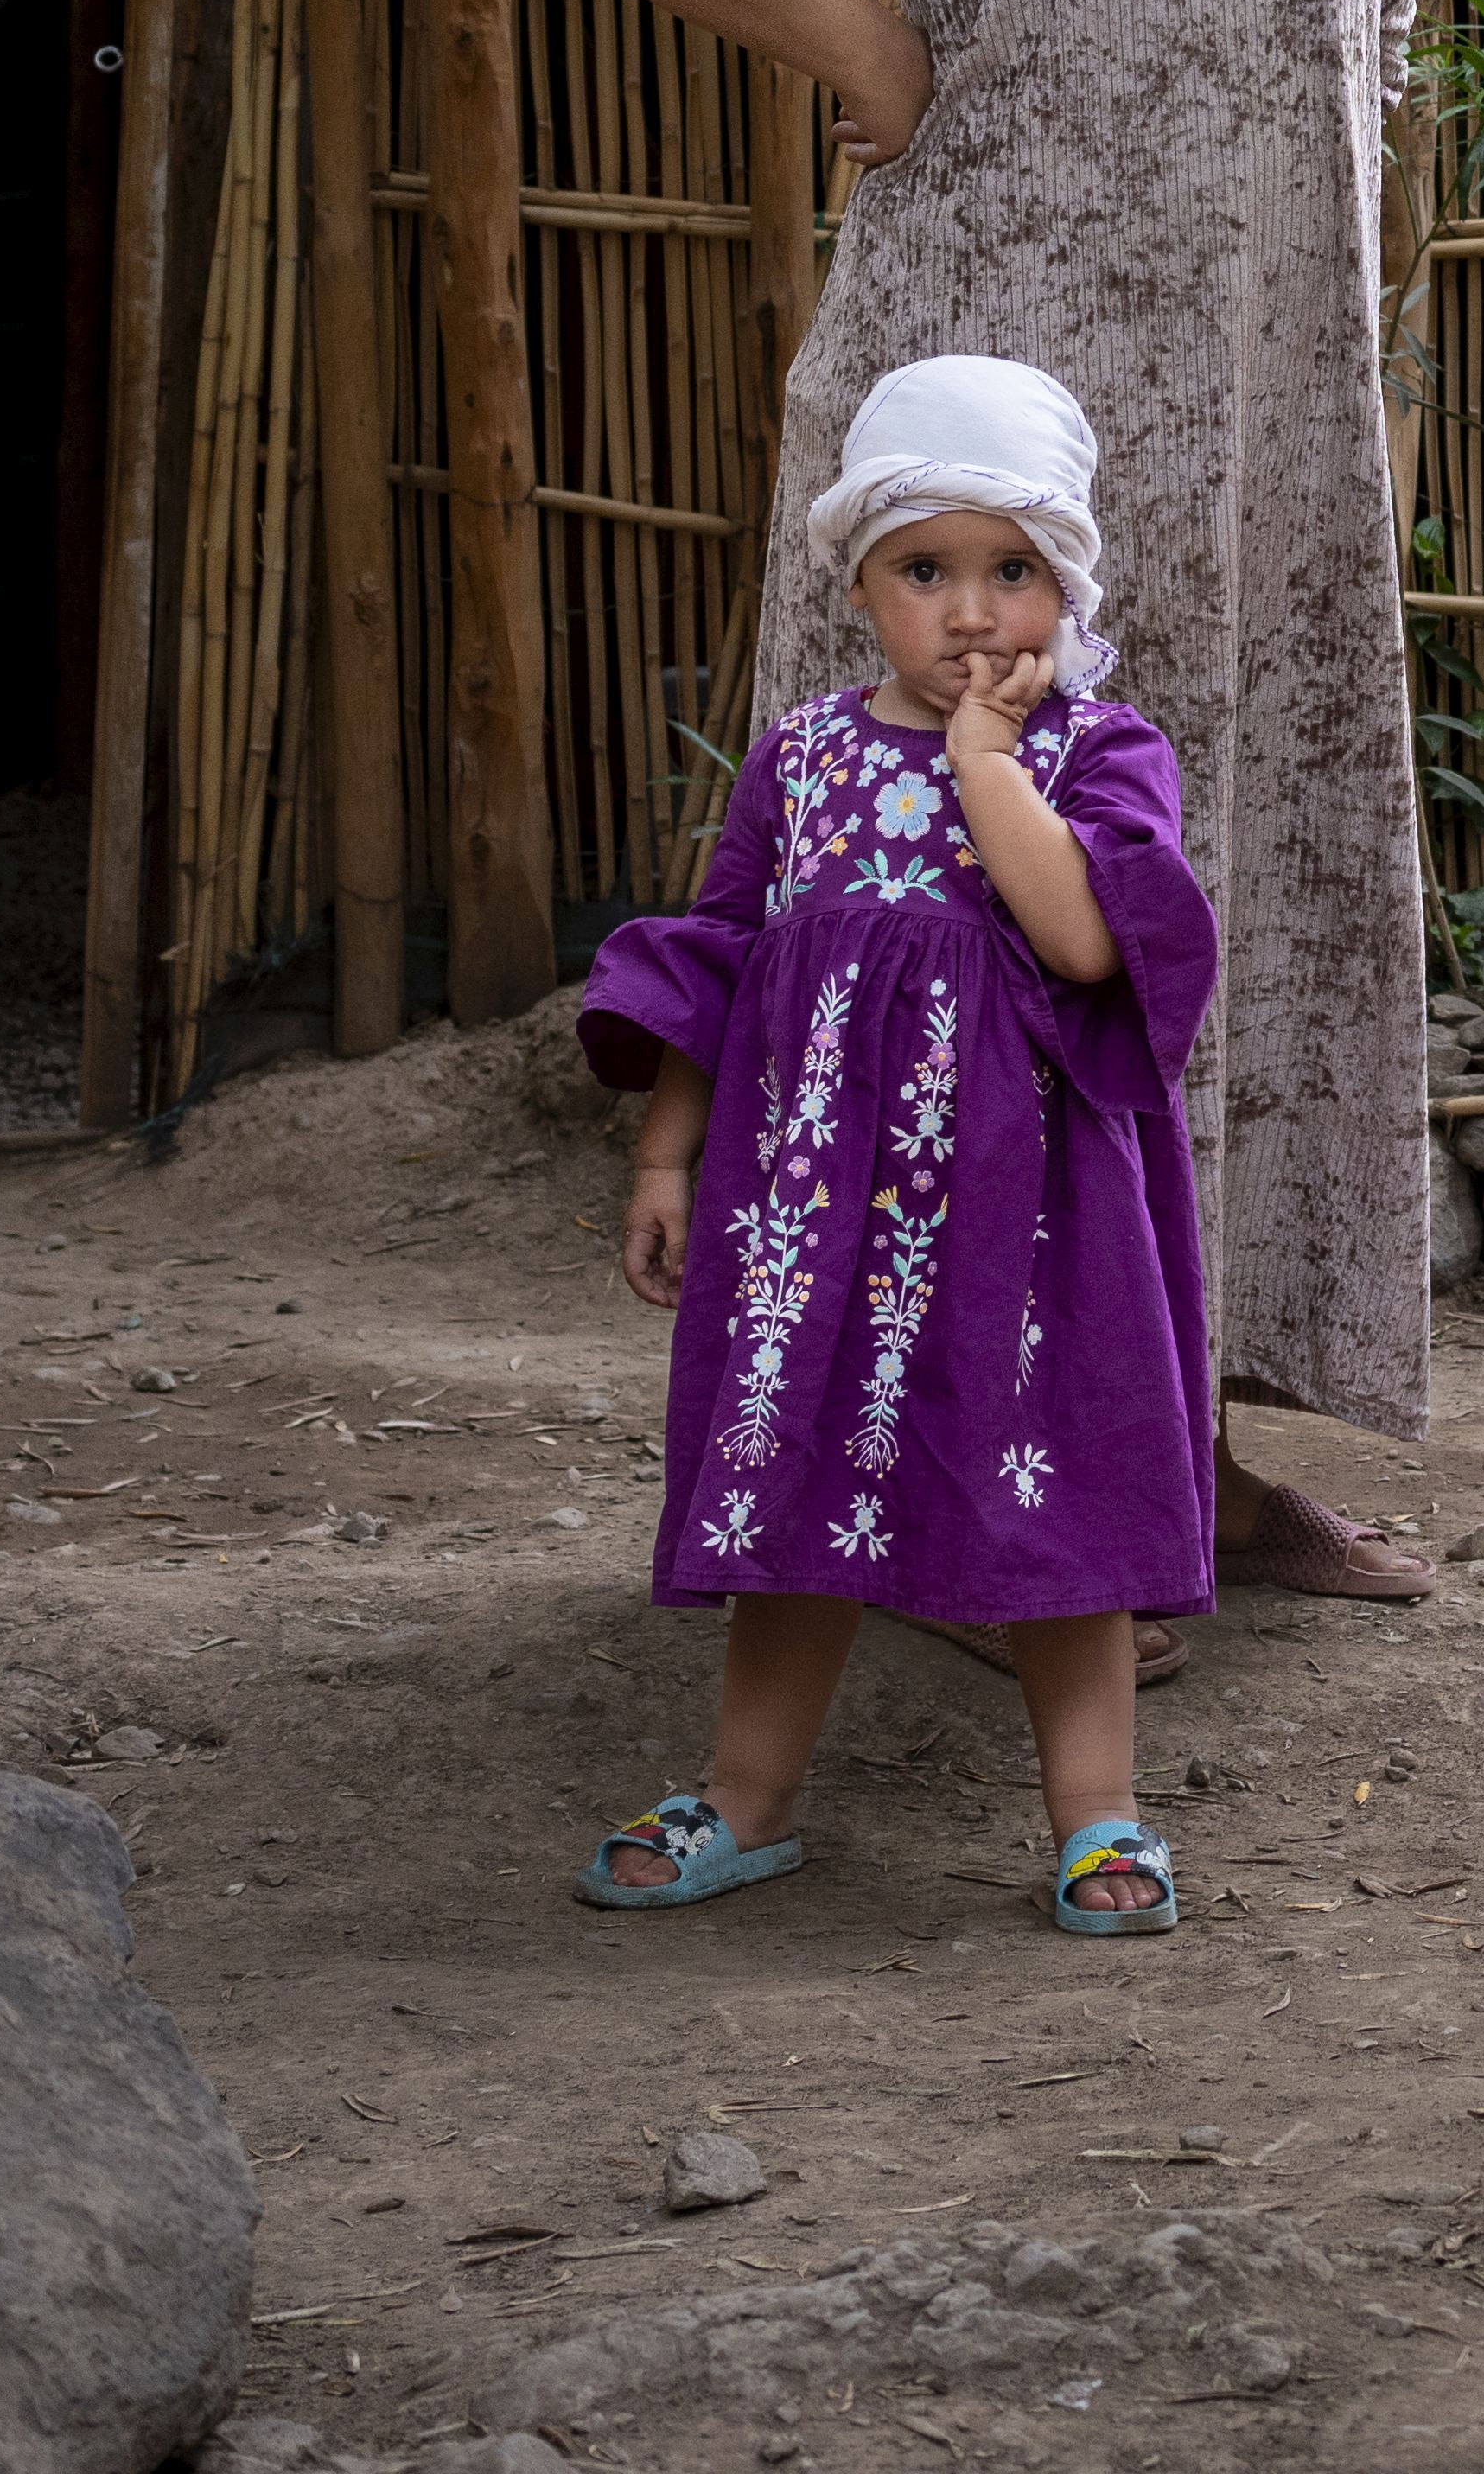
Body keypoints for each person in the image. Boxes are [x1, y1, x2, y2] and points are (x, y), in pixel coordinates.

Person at [514, 0, 1438, 1606]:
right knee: (943, 910)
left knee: (1196, 893)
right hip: (995, 415)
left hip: (1269, 436)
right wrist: (863, 46)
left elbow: (1384, 37)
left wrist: (1373, 391)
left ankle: (1190, 1456)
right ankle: (905, 1473)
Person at [570, 354, 1211, 1933]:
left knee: (1043, 1494)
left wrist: (987, 767)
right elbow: (717, 961)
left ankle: (1097, 1816)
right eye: (927, 571)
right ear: (857, 581)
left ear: (1068, 581)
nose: (976, 615)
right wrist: (667, 1158)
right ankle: (750, 1796)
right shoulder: (801, 760)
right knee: (794, 1486)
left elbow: (1079, 943)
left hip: (1032, 1223)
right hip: (816, 1215)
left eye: (1015, 572)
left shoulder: (1098, 753)